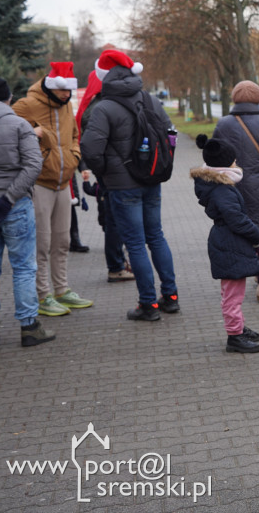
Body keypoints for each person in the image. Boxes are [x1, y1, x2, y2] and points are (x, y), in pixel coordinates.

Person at [81, 49, 179, 322]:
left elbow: (90, 148)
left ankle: (148, 305)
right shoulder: (150, 100)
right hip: (151, 180)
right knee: (156, 236)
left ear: (104, 79)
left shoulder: (103, 107)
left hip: (123, 187)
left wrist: (105, 174)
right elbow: (171, 135)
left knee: (135, 244)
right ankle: (171, 297)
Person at [11, 61, 94, 317]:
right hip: (39, 183)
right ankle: (42, 294)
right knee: (42, 242)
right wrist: (37, 140)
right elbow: (9, 134)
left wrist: (74, 155)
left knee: (62, 240)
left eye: (69, 91)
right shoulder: (26, 105)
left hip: (64, 182)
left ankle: (62, 289)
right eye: (62, 91)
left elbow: (73, 135)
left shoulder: (67, 105)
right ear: (51, 87)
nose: (66, 95)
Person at [211, 80, 259, 303]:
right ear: (258, 97)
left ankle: (238, 279)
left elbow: (214, 155)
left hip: (232, 186)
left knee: (237, 230)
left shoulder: (224, 123)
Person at [191, 135, 259, 354]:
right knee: (232, 294)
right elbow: (236, 218)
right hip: (230, 242)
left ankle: (238, 327)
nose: (236, 163)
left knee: (233, 292)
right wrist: (256, 235)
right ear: (226, 164)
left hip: (227, 240)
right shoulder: (223, 189)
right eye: (233, 160)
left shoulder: (218, 184)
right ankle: (234, 336)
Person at [0, 75, 50, 347]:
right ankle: (29, 327)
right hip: (15, 205)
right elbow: (33, 166)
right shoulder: (19, 125)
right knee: (24, 268)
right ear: (9, 98)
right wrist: (8, 198)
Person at [78, 70, 133, 283]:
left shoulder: (99, 105)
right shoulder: (99, 108)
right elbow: (91, 146)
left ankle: (118, 263)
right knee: (114, 223)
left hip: (112, 173)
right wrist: (102, 169)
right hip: (112, 175)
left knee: (115, 222)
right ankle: (116, 266)